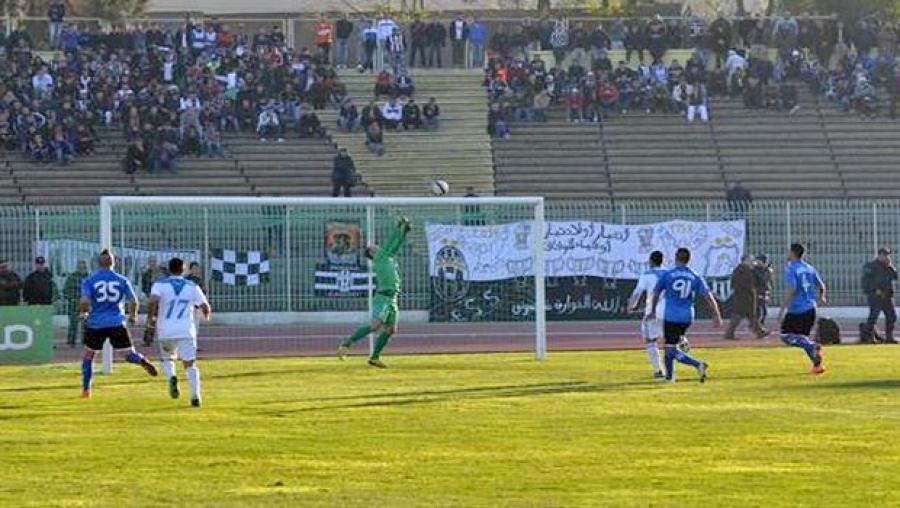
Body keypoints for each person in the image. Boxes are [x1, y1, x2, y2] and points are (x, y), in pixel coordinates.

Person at [79, 249, 158, 399]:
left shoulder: (90, 280)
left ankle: (86, 390)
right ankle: (141, 360)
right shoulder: (122, 280)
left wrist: (83, 313)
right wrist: (133, 315)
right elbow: (133, 300)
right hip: (116, 322)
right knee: (128, 354)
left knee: (89, 356)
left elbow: (84, 300)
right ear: (113, 263)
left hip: (96, 323)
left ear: (98, 263)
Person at [337, 216, 411, 368]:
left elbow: (396, 244)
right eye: (374, 247)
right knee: (375, 325)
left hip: (392, 298)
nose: (377, 246)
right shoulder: (381, 258)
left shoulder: (387, 257)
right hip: (383, 298)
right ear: (372, 253)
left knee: (391, 329)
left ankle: (375, 357)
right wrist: (399, 227)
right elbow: (391, 241)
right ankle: (346, 344)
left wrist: (404, 232)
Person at [649, 247, 722, 383]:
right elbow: (708, 296)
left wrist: (653, 310)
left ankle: (698, 364)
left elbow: (656, 293)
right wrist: (716, 315)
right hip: (687, 316)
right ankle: (669, 376)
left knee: (670, 349)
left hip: (671, 316)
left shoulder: (669, 274)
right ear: (689, 259)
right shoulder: (695, 276)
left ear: (676, 258)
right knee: (670, 346)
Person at [147, 258, 211, 407]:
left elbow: (152, 300)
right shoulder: (192, 286)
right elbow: (205, 306)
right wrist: (206, 315)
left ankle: (171, 376)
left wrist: (151, 318)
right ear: (184, 270)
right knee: (190, 364)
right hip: (186, 329)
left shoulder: (160, 285)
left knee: (167, 359)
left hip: (166, 329)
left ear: (169, 269)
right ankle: (195, 395)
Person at [777, 243, 827, 375]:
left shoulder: (791, 269)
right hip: (811, 308)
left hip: (797, 309)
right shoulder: (809, 268)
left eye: (789, 251)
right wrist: (822, 297)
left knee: (786, 336)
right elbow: (821, 285)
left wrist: (782, 309)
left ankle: (812, 346)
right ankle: (817, 366)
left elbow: (792, 289)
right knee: (802, 337)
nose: (787, 254)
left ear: (793, 253)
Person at [627, 250, 668, 379]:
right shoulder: (669, 274)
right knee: (670, 339)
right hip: (669, 311)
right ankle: (681, 340)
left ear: (651, 261)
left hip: (652, 312)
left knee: (650, 340)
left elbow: (637, 292)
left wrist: (631, 305)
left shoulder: (647, 275)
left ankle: (658, 370)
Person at [724, 255, 769, 340]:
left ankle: (760, 332)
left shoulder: (750, 270)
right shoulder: (740, 270)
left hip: (749, 296)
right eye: (751, 260)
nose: (753, 262)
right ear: (745, 261)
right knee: (738, 315)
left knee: (751, 316)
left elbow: (760, 280)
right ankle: (729, 333)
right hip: (742, 296)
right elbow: (737, 284)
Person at [861, 247, 898, 343]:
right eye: (885, 255)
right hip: (875, 296)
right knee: (873, 317)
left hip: (887, 296)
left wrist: (890, 266)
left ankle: (889, 337)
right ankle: (868, 337)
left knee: (891, 316)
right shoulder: (870, 266)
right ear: (879, 255)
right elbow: (866, 281)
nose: (887, 257)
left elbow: (895, 277)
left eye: (888, 255)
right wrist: (874, 290)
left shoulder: (888, 267)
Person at [64, 260, 90, 347]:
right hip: (74, 303)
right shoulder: (72, 277)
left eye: (84, 267)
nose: (82, 268)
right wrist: (71, 298)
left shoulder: (89, 277)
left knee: (86, 324)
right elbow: (66, 290)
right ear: (77, 267)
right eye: (80, 267)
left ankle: (85, 341)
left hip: (86, 304)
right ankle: (71, 341)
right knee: (73, 323)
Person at [752, 254, 773, 326]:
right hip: (757, 291)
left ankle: (760, 323)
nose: (757, 262)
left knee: (764, 310)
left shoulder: (767, 270)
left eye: (759, 260)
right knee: (757, 309)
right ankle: (756, 324)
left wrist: (769, 291)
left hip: (765, 291)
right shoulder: (754, 270)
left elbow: (767, 281)